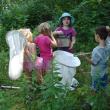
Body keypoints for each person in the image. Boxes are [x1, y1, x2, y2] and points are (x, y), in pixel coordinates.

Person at [83, 26, 110, 92]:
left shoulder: (96, 50)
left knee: (95, 89)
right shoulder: (108, 46)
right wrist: (107, 31)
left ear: (97, 36)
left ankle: (94, 101)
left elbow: (94, 62)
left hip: (96, 74)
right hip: (104, 72)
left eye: (95, 35)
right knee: (104, 87)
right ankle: (103, 97)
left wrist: (85, 57)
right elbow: (108, 37)